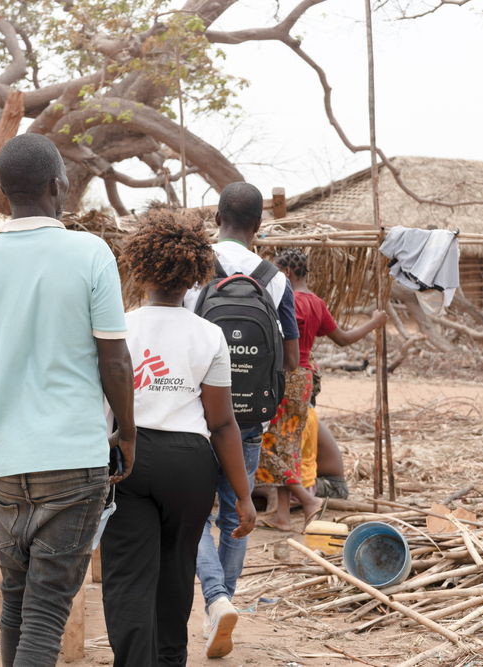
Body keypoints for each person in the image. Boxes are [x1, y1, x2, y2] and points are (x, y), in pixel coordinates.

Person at [0, 134, 135, 667]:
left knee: (17, 603)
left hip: (5, 466)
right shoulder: (90, 253)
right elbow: (115, 361)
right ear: (57, 186)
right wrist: (128, 432)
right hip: (73, 463)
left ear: (4, 191)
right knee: (47, 611)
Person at [101, 217, 256, 667]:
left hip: (127, 457)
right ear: (194, 276)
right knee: (175, 571)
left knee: (128, 575)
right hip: (190, 466)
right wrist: (243, 496)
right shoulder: (209, 334)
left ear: (139, 270)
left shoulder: (118, 328)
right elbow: (223, 423)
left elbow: (101, 403)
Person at [183, 182, 299, 659]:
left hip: (192, 413)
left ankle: (214, 599)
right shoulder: (274, 279)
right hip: (248, 418)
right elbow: (290, 359)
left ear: (216, 217)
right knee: (238, 513)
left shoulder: (191, 266)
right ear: (259, 225)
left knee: (193, 515)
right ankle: (222, 603)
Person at [259, 248, 386, 529]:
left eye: (275, 271)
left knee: (266, 446)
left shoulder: (283, 300)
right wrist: (374, 323)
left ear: (287, 273)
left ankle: (307, 499)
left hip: (283, 377)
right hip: (304, 379)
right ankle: (281, 515)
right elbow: (343, 339)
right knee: (288, 444)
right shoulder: (316, 303)